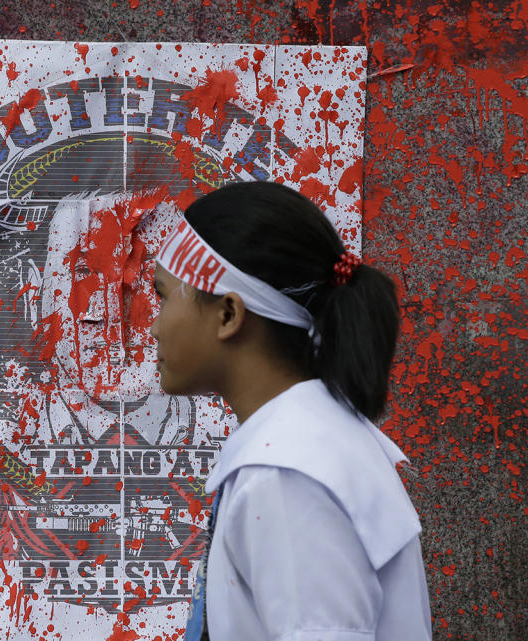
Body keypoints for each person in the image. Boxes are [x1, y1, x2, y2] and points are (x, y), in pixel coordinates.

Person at [150, 181, 432, 641]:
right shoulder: (308, 445)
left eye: (163, 296)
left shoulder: (287, 476)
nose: (156, 327)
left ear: (228, 314)